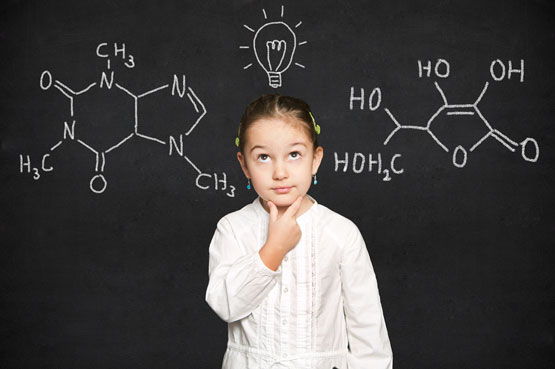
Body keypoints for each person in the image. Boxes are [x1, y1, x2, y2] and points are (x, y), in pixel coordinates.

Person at [205, 94, 393, 369]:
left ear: (315, 160)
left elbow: (368, 333)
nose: (280, 172)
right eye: (263, 157)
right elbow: (225, 304)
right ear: (244, 164)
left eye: (294, 155)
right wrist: (274, 249)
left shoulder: (341, 232)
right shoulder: (232, 229)